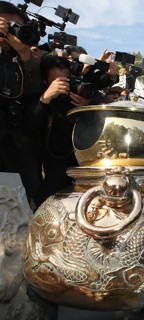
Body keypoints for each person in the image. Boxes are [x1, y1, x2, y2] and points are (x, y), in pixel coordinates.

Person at [31, 55, 105, 207]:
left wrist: (88, 104)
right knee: (43, 205)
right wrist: (46, 98)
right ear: (46, 82)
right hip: (54, 165)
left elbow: (105, 108)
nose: (64, 86)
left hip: (81, 163)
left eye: (66, 80)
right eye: (57, 82)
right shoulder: (41, 99)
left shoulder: (78, 94)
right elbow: (28, 126)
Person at [0, 1, 43, 205]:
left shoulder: (21, 57)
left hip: (16, 137)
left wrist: (25, 55)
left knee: (28, 192)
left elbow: (34, 89)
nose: (12, 32)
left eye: (16, 27)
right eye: (7, 25)